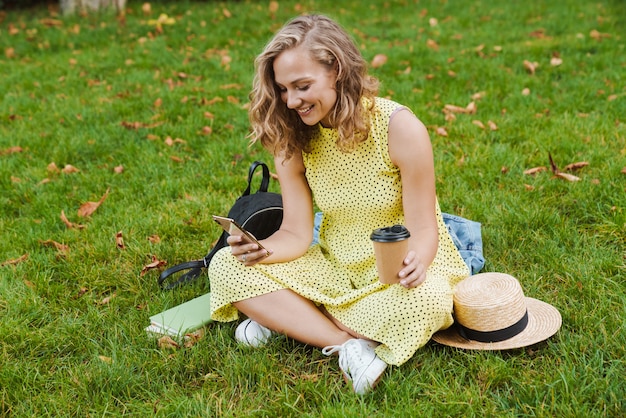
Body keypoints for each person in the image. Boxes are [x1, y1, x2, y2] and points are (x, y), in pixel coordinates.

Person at [208, 14, 470, 395]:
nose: (291, 101)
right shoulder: (293, 136)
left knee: (428, 303)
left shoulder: (399, 128)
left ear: (337, 70)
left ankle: (290, 318)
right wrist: (261, 250)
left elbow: (426, 228)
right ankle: (349, 345)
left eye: (302, 86)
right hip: (333, 265)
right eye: (283, 89)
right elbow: (297, 233)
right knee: (226, 264)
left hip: (393, 274)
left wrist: (419, 262)